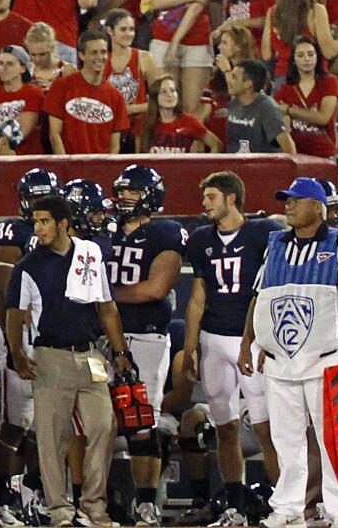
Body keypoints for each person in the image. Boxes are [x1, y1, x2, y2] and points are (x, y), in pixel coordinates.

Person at [245, 177, 338, 528]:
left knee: (332, 437)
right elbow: (259, 297)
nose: (288, 205)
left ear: (317, 207)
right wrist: (252, 343)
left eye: (296, 200)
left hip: (326, 355)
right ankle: (288, 506)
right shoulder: (275, 243)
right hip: (279, 359)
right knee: (284, 437)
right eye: (286, 199)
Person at [3, 192, 128, 528]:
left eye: (45, 221)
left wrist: (120, 353)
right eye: (35, 221)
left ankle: (93, 506)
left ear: (63, 223)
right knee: (51, 437)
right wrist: (17, 353)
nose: (39, 228)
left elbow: (107, 307)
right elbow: (14, 314)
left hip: (90, 354)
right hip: (50, 356)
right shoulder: (28, 266)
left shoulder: (90, 256)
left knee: (104, 425)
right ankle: (59, 511)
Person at [179, 171, 278, 524]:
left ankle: (281, 503)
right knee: (224, 424)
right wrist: (191, 346)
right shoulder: (202, 238)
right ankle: (234, 503)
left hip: (249, 338)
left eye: (211, 197)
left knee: (266, 426)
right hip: (213, 338)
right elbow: (197, 297)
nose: (205, 204)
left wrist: (262, 338)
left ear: (231, 198)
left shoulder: (263, 232)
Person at [108, 165, 185, 526]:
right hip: (101, 336)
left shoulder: (164, 232)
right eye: (121, 190)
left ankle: (145, 502)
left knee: (141, 422)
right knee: (95, 423)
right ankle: (98, 497)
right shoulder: (101, 232)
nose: (124, 197)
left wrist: (102, 297)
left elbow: (155, 288)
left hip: (145, 334)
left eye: (133, 192)